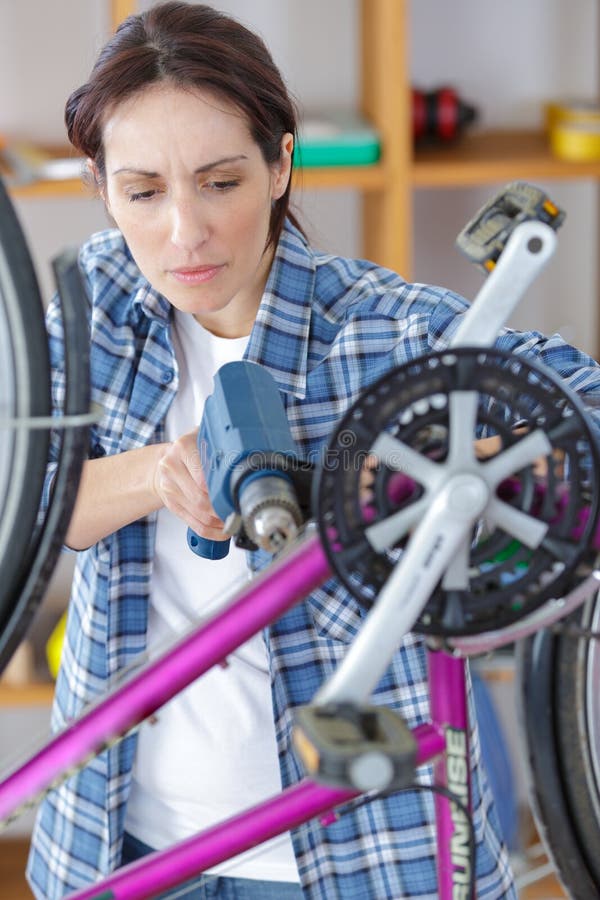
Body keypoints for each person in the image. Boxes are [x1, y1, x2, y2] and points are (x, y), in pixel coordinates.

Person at [25, 3, 600, 898]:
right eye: (144, 191)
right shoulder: (99, 301)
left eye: (221, 182)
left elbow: (585, 409)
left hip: (348, 855)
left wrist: (400, 474)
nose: (185, 232)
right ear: (100, 185)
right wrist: (160, 471)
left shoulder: (381, 330)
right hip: (120, 839)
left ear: (282, 162)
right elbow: (32, 505)